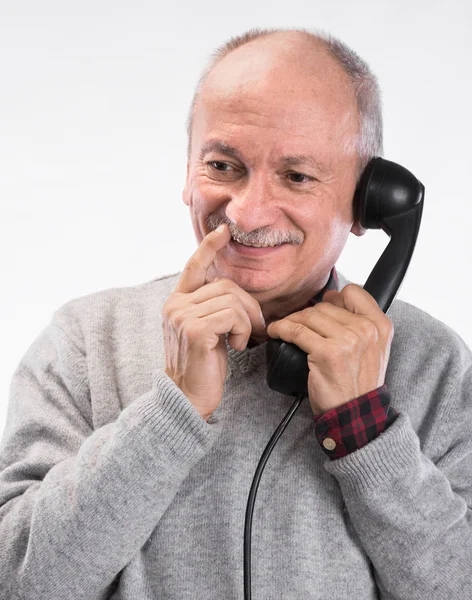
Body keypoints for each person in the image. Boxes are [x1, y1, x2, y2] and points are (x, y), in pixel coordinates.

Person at [0, 27, 471, 600]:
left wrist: (366, 432)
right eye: (223, 166)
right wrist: (170, 415)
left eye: (297, 176)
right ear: (187, 172)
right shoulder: (83, 341)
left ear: (367, 202)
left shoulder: (435, 365)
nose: (246, 211)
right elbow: (19, 582)